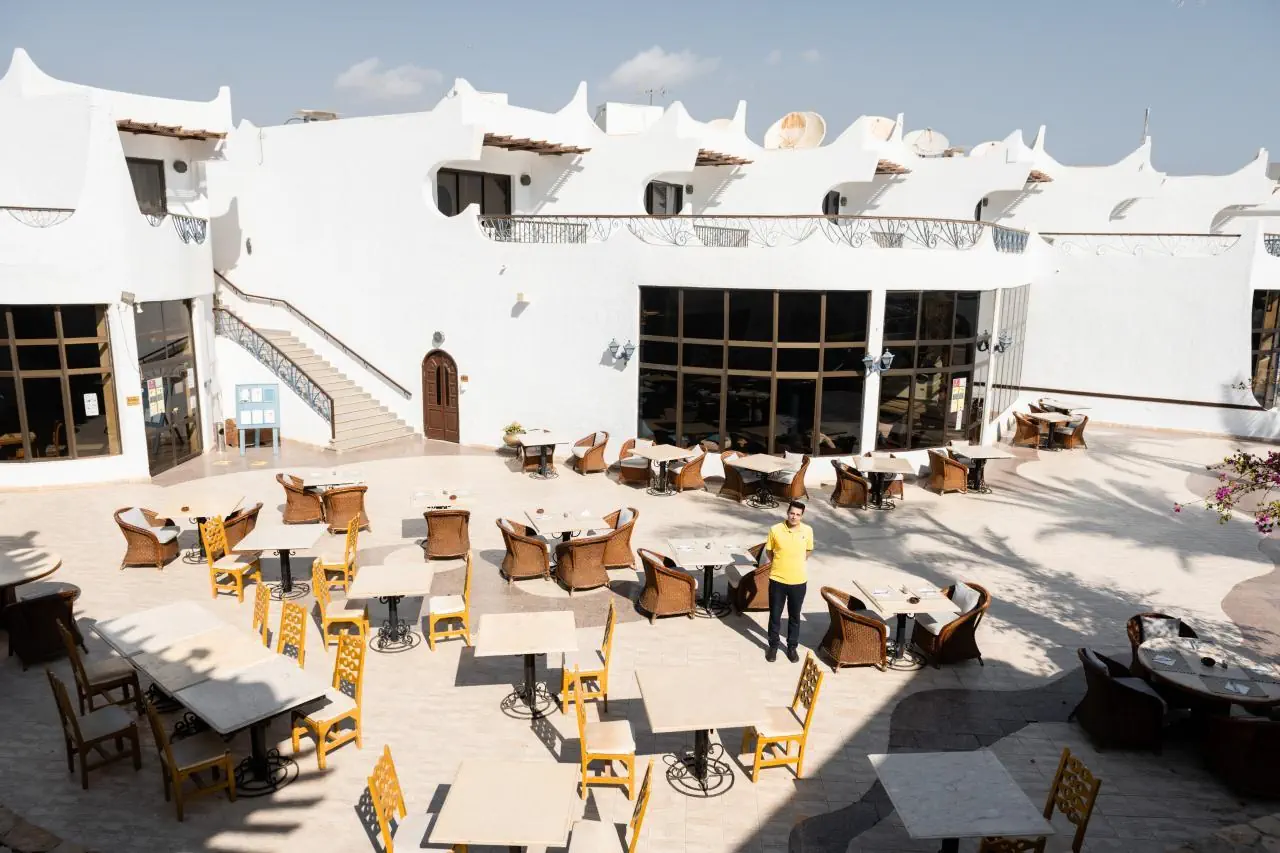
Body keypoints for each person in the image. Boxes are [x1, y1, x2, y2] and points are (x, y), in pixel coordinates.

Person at [764, 499, 813, 662]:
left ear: (802, 516)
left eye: (798, 514)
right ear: (787, 513)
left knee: (794, 616)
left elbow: (808, 551)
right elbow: (769, 552)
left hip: (798, 582)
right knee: (775, 615)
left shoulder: (808, 530)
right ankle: (773, 646)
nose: (794, 517)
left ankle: (792, 647)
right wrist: (780, 564)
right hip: (777, 580)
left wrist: (796, 563)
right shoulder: (775, 530)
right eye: (792, 513)